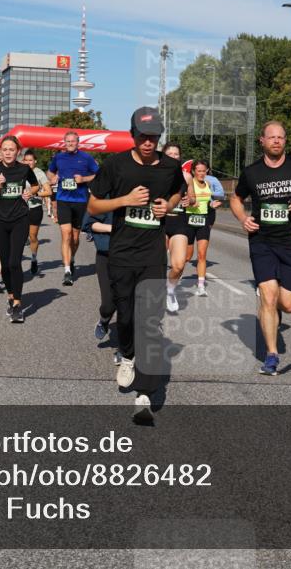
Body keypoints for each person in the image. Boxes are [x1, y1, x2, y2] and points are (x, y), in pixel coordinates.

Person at [88, 107, 183, 423]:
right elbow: (93, 204)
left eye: (154, 136)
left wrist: (165, 206)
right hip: (122, 254)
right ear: (132, 135)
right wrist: (123, 201)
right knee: (126, 317)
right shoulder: (115, 165)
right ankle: (126, 355)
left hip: (152, 256)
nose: (148, 142)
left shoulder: (169, 167)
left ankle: (145, 393)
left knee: (149, 322)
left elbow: (177, 194)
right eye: (143, 136)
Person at [230, 120, 291, 376]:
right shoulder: (252, 172)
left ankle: (269, 305)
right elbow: (236, 198)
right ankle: (271, 355)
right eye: (271, 137)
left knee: (289, 304)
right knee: (269, 297)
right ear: (262, 141)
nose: (276, 141)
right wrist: (242, 218)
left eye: (281, 137)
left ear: (285, 141)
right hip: (262, 241)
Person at [0, 136, 39, 323]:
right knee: (4, 263)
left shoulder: (24, 169)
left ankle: (17, 304)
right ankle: (10, 296)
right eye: (4, 149)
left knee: (14, 262)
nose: (7, 152)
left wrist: (30, 192)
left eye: (11, 149)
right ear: (1, 151)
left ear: (17, 151)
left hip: (20, 219)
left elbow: (36, 185)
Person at [48, 132, 99, 286]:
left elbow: (98, 174)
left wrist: (83, 179)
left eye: (73, 141)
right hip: (63, 200)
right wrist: (52, 178)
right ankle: (67, 270)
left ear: (78, 142)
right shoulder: (58, 157)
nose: (70, 143)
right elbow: (50, 172)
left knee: (75, 238)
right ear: (64, 143)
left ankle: (72, 258)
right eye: (67, 141)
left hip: (80, 200)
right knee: (66, 234)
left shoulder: (86, 158)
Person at [161, 143, 194, 313]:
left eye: (176, 154)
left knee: (179, 265)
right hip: (158, 222)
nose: (173, 156)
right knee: (157, 263)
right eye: (170, 154)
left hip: (179, 222)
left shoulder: (187, 176)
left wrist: (190, 200)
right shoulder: (154, 172)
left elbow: (193, 198)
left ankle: (170, 289)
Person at [184, 160, 225, 297]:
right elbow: (182, 199)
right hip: (189, 220)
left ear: (207, 171)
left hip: (203, 220)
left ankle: (201, 286)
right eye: (199, 171)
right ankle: (174, 277)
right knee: (187, 257)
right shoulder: (189, 183)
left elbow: (209, 201)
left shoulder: (208, 184)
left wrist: (212, 204)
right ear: (194, 171)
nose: (201, 173)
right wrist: (187, 202)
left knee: (202, 255)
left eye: (204, 171)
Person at [82, 210, 119, 362]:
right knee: (108, 304)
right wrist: (116, 228)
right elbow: (89, 224)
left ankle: (124, 349)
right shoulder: (104, 193)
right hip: (106, 255)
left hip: (132, 255)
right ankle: (104, 320)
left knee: (128, 303)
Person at [22, 150, 52, 275]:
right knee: (21, 237)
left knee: (32, 236)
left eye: (31, 160)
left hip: (35, 207)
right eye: (26, 160)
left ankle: (34, 258)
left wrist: (35, 193)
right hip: (20, 208)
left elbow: (49, 191)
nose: (28, 162)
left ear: (35, 161)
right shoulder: (19, 171)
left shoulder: (39, 173)